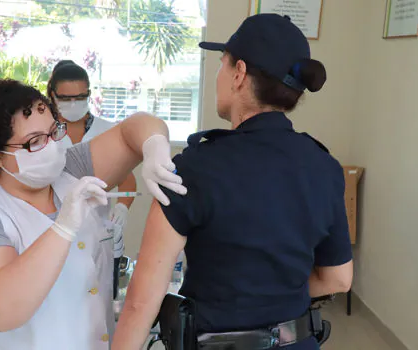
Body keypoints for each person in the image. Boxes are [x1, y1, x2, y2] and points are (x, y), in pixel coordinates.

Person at [113, 14, 353, 350]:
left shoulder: (195, 166)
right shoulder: (325, 167)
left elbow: (141, 302)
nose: (218, 75)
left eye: (222, 64)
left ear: (238, 74)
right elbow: (338, 279)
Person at [0, 78, 187, 350]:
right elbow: (1, 311)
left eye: (53, 131)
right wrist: (63, 227)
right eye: (34, 142)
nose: (52, 146)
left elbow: (134, 129)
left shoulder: (70, 169)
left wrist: (153, 147)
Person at [47, 60, 137, 295]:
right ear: (52, 95)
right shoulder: (42, 134)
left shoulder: (108, 131)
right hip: (52, 234)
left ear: (89, 93)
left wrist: (122, 211)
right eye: (66, 98)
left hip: (99, 236)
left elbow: (126, 179)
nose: (74, 103)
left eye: (81, 96)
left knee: (98, 310)